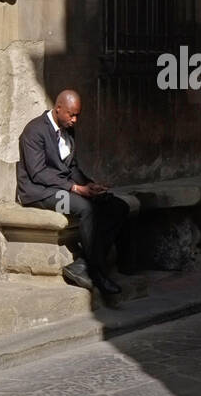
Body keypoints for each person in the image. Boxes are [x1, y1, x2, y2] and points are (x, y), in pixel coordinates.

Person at [16, 89, 131, 295]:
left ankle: (83, 265)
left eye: (78, 115)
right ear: (58, 108)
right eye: (71, 114)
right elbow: (38, 173)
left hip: (62, 187)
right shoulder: (34, 131)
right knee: (84, 208)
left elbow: (72, 168)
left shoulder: (68, 129)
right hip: (40, 194)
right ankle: (96, 272)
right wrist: (76, 188)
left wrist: (90, 185)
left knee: (116, 205)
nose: (75, 119)